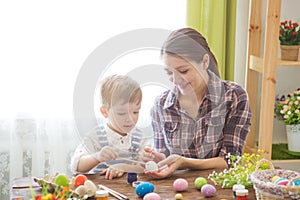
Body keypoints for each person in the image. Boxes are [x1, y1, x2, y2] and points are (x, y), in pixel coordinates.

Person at [144, 28, 252, 179]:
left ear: (205, 62)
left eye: (183, 71)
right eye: (169, 73)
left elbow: (230, 161)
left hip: (219, 186)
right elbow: (165, 157)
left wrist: (185, 162)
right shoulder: (161, 105)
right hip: (175, 190)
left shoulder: (234, 97)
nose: (175, 80)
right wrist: (158, 160)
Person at [71, 74, 149, 180]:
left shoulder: (139, 137)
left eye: (135, 112)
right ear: (105, 112)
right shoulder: (96, 136)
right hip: (102, 191)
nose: (130, 119)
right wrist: (97, 157)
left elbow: (143, 168)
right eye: (122, 113)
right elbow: (77, 166)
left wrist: (124, 167)